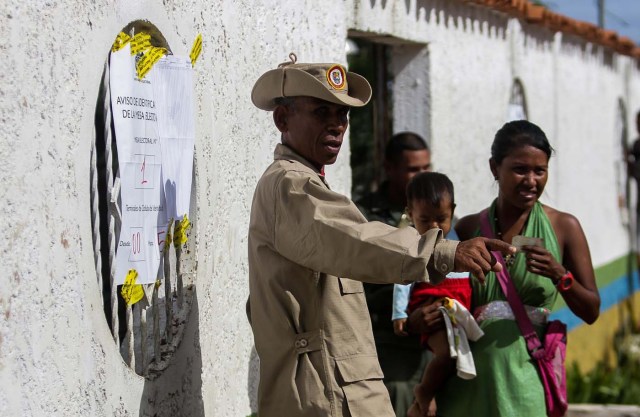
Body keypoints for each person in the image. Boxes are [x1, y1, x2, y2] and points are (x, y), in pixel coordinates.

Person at [246, 53, 515, 417]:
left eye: (342, 114)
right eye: (321, 112)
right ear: (283, 119)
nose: (337, 124)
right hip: (326, 393)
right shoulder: (290, 184)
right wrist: (442, 252)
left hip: (337, 388)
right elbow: (354, 238)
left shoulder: (305, 180)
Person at [409, 120, 601, 417]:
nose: (531, 180)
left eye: (540, 170)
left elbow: (591, 311)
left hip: (525, 382)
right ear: (494, 168)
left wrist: (560, 275)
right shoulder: (468, 227)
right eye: (520, 169)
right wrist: (418, 319)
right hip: (465, 382)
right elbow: (437, 292)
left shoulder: (564, 227)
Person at [391, 172, 482, 417]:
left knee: (455, 362)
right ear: (410, 213)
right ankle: (424, 393)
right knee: (447, 356)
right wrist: (400, 313)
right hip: (432, 306)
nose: (434, 227)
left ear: (452, 211)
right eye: (424, 219)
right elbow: (403, 281)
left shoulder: (460, 239)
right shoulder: (411, 244)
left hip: (457, 310)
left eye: (441, 218)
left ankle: (422, 407)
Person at [355, 132, 432, 416]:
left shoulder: (436, 209)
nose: (422, 176)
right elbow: (358, 286)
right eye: (413, 169)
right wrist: (405, 315)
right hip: (389, 348)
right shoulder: (363, 215)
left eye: (427, 168)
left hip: (435, 347)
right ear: (389, 168)